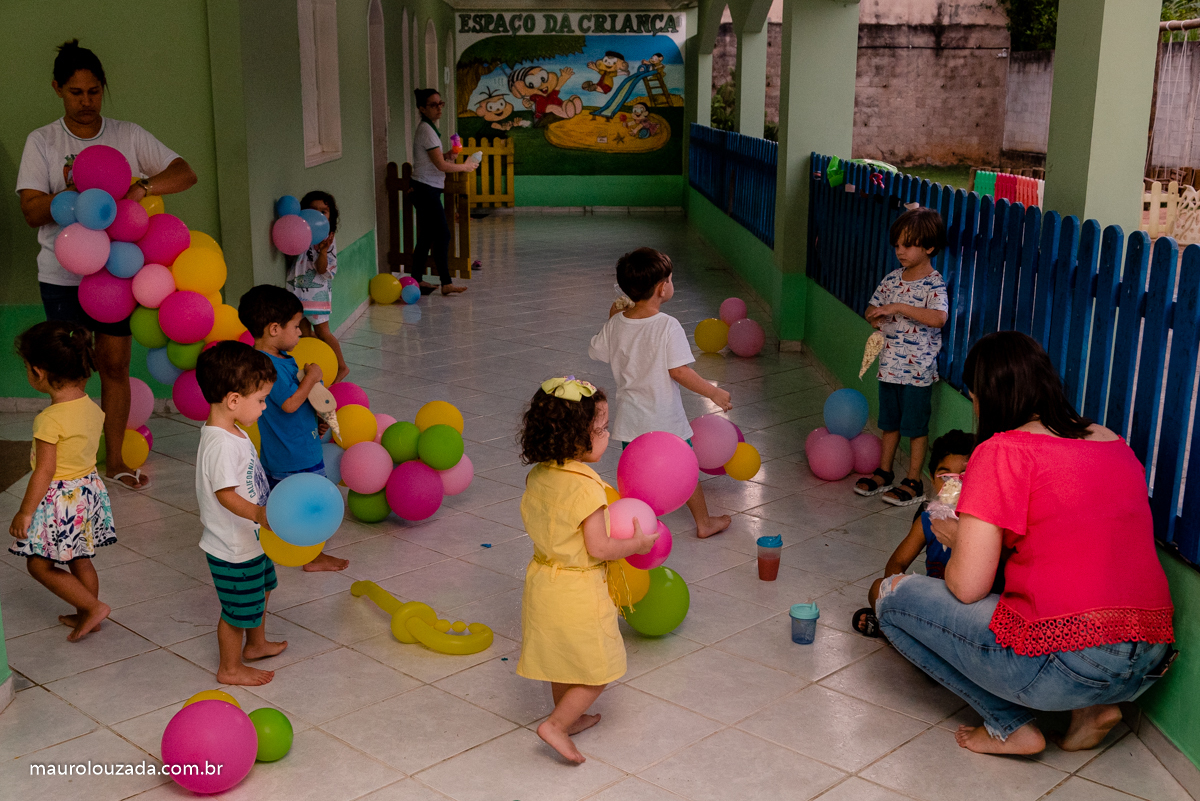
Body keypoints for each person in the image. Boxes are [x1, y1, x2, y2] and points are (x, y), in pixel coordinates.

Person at [875, 332, 1176, 756]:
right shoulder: (1112, 441)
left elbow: (967, 587)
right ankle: (1091, 713)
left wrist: (960, 537)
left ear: (990, 396)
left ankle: (1008, 725)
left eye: (975, 395)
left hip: (1070, 665)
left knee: (890, 599)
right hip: (1148, 661)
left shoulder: (1003, 451)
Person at [16, 40, 198, 490]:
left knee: (114, 366)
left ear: (103, 89)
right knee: (67, 375)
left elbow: (185, 172)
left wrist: (141, 186)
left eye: (94, 91)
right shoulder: (42, 141)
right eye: (76, 92)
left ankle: (114, 460)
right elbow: (31, 212)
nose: (86, 102)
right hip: (62, 277)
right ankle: (69, 468)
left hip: (116, 274)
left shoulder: (128, 134)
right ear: (58, 89)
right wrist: (72, 195)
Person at [517, 377, 659, 764]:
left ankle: (569, 716)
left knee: (559, 657)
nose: (607, 434)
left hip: (543, 580)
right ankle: (557, 725)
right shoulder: (586, 490)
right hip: (577, 589)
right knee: (598, 668)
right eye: (600, 429)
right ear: (576, 436)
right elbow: (599, 547)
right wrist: (637, 545)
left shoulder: (540, 475)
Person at [589, 248, 732, 538]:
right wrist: (713, 393)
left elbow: (596, 351)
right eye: (670, 278)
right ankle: (704, 524)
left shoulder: (616, 323)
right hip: (666, 420)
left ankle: (636, 527)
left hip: (630, 421)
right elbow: (679, 371)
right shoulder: (668, 326)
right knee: (687, 471)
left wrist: (612, 319)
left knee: (635, 474)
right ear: (661, 288)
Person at [7, 322, 115, 642]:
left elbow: (45, 471)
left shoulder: (49, 419)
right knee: (80, 557)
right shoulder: (92, 407)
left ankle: (93, 608)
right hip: (88, 490)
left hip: (61, 500)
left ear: (38, 372)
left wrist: (25, 512)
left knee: (39, 566)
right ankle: (88, 614)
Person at [195, 341, 288, 685]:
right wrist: (260, 514)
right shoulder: (219, 443)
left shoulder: (235, 431)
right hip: (233, 548)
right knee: (236, 612)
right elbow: (225, 495)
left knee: (262, 590)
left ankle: (257, 644)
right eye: (261, 399)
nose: (265, 407)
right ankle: (230, 668)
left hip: (251, 539)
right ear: (234, 400)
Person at [238, 285, 348, 572]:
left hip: (286, 449)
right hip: (296, 454)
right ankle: (312, 555)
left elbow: (291, 404)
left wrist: (316, 417)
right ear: (274, 329)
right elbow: (288, 403)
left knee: (283, 505)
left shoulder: (273, 359)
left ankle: (283, 548)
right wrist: (312, 377)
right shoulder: (268, 364)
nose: (300, 333)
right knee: (310, 505)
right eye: (296, 326)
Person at [854, 207, 949, 507]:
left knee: (916, 429)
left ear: (929, 247)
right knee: (889, 424)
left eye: (908, 245)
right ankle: (884, 472)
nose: (900, 251)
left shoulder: (934, 283)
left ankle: (914, 481)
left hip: (917, 373)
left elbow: (938, 318)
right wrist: (874, 317)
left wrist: (899, 308)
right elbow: (872, 309)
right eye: (897, 245)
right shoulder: (892, 279)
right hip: (889, 369)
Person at [853, 429, 975, 638]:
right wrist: (896, 594)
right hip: (930, 601)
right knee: (877, 588)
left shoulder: (982, 527)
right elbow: (897, 563)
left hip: (965, 608)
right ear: (933, 479)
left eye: (963, 477)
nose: (954, 485)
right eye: (945, 477)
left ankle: (895, 631)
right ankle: (906, 630)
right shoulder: (928, 520)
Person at [410, 88, 477, 296]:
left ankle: (417, 280)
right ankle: (445, 282)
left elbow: (437, 159)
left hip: (426, 187)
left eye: (441, 103)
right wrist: (464, 167)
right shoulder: (427, 131)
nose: (439, 108)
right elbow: (440, 166)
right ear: (422, 108)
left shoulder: (430, 130)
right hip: (425, 189)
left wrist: (449, 154)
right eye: (433, 105)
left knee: (426, 237)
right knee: (443, 234)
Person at [286, 190, 349, 383]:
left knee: (322, 332)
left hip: (316, 295)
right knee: (303, 333)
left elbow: (323, 270)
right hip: (296, 291)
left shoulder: (327, 239)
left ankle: (341, 366)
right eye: (312, 210)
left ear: (331, 216)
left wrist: (322, 251)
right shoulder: (300, 233)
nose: (318, 215)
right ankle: (313, 364)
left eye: (324, 211)